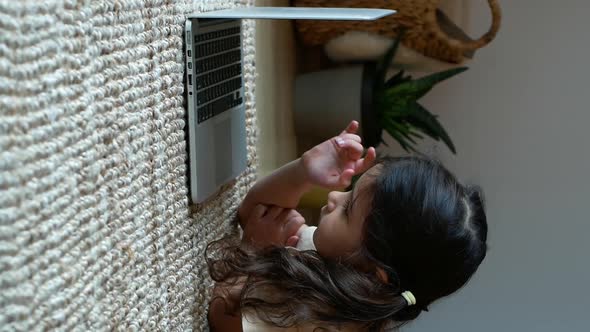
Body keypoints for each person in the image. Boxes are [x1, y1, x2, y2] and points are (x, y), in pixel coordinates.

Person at [207, 120, 488, 331]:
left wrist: (256, 248)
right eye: (349, 191)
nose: (333, 197)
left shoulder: (319, 319)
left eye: (347, 210)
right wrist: (302, 173)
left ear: (374, 274)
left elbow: (220, 315)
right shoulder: (343, 259)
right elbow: (255, 214)